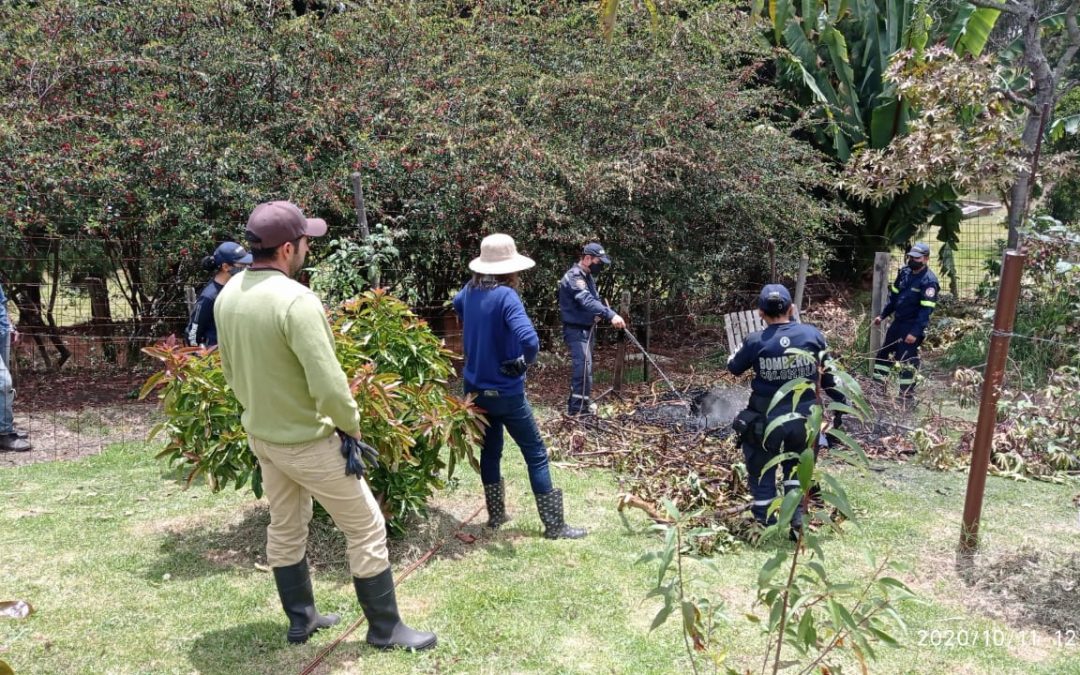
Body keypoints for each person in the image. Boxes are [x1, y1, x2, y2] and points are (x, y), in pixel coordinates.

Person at [214, 200, 435, 650]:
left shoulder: (230, 292)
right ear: (288, 248)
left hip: (263, 436)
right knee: (366, 527)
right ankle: (386, 629)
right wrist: (350, 427)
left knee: (286, 525)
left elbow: (231, 371)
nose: (308, 249)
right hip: (308, 441)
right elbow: (329, 385)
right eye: (306, 242)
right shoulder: (296, 301)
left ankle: (302, 620)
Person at [454, 234, 587, 540]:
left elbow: (457, 305)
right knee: (536, 452)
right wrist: (524, 362)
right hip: (506, 391)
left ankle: (495, 516)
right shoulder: (506, 296)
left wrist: (479, 332)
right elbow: (530, 340)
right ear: (509, 269)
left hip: (475, 391)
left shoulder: (469, 291)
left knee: (490, 451)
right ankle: (555, 526)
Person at [727, 284, 846, 536]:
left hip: (766, 420)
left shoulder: (755, 341)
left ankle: (764, 524)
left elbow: (733, 366)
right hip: (805, 419)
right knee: (798, 466)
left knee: (761, 467)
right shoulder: (813, 336)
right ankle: (797, 520)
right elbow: (832, 378)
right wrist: (841, 406)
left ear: (760, 312)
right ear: (792, 309)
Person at [557, 242, 626, 415]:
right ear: (587, 259)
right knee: (583, 370)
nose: (600, 266)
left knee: (585, 371)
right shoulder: (574, 277)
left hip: (587, 330)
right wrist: (611, 315)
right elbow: (586, 300)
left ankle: (581, 406)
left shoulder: (587, 277)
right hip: (576, 331)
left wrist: (599, 314)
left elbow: (593, 301)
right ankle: (578, 411)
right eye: (598, 262)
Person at [872, 242, 939, 400]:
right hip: (898, 322)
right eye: (911, 257)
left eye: (917, 258)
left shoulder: (929, 281)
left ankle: (906, 396)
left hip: (911, 326)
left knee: (906, 360)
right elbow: (894, 297)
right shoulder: (904, 272)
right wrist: (883, 315)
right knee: (883, 354)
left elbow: (926, 311)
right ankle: (876, 389)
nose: (913, 260)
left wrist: (915, 332)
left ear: (926, 259)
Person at [185, 242, 252, 348]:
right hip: (216, 354)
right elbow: (192, 335)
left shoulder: (237, 288)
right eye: (242, 265)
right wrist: (201, 355)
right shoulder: (209, 297)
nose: (246, 268)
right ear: (225, 267)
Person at [0, 281, 31, 452]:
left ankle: (5, 427)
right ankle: (4, 433)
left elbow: (1, 302)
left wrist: (10, 327)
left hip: (2, 333)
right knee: (3, 382)